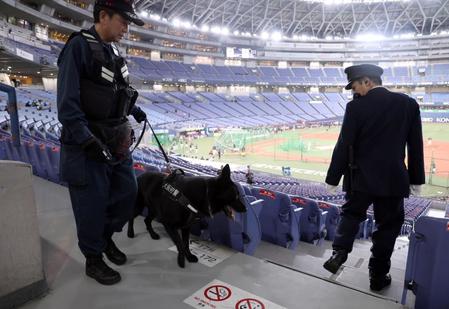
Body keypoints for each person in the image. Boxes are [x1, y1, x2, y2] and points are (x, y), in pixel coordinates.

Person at [57, 0, 146, 285]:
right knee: (91, 205)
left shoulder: (113, 51)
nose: (126, 28)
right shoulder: (78, 47)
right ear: (103, 16)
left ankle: (104, 238)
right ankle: (93, 259)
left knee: (127, 194)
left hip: (116, 141)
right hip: (87, 147)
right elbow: (67, 106)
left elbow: (115, 91)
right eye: (123, 21)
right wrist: (87, 140)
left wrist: (132, 109)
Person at [323, 64, 425, 291]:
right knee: (388, 227)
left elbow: (344, 145)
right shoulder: (408, 104)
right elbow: (415, 145)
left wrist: (333, 178)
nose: (354, 92)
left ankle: (339, 254)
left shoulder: (355, 107)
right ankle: (377, 276)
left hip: (360, 177)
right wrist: (416, 179)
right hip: (393, 179)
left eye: (356, 86)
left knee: (350, 214)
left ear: (367, 81)